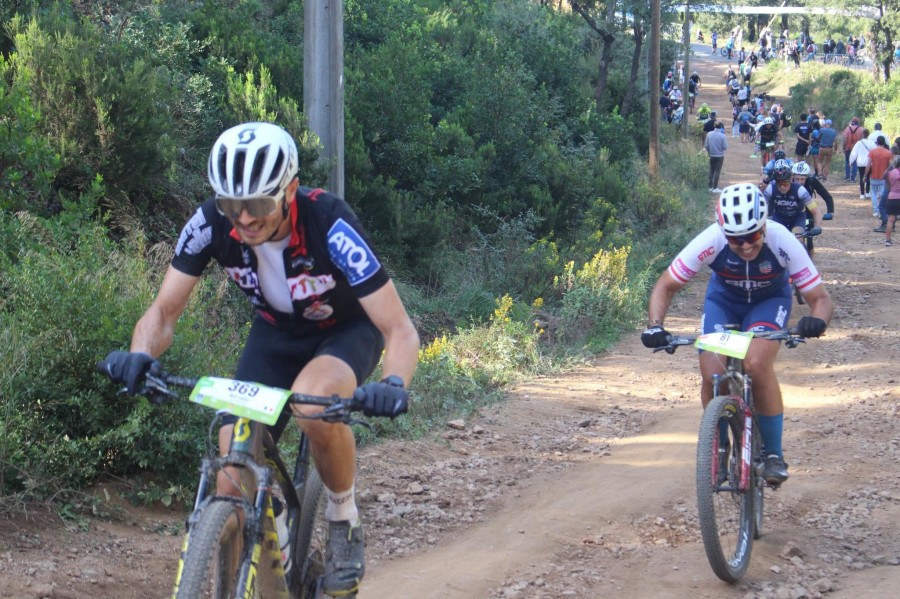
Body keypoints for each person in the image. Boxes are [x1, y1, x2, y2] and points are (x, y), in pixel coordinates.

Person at [99, 121, 420, 597]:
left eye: (258, 205)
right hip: (275, 335)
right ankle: (274, 540)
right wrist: (139, 355)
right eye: (232, 205)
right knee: (231, 472)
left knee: (312, 404)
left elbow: (399, 330)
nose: (244, 219)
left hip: (346, 331)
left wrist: (394, 384)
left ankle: (342, 517)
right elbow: (162, 313)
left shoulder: (329, 223)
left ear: (289, 190)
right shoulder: (211, 223)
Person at [641, 184, 834, 484]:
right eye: (735, 239)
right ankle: (718, 445)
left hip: (768, 302)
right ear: (724, 233)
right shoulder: (711, 239)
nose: (745, 246)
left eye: (753, 236)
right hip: (724, 302)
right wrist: (655, 324)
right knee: (711, 373)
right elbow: (665, 285)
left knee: (755, 363)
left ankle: (772, 453)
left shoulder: (782, 239)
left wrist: (816, 321)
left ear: (764, 226)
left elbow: (820, 299)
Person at [764, 159, 823, 234]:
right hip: (779, 217)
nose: (782, 187)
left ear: (790, 180)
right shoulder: (770, 189)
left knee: (798, 237)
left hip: (797, 218)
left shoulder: (800, 190)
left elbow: (816, 211)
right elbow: (760, 209)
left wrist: (817, 226)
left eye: (785, 184)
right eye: (779, 184)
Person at [867, 136, 893, 228]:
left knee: (873, 193)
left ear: (877, 142)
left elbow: (869, 164)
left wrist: (865, 175)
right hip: (884, 178)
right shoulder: (888, 153)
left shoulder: (872, 152)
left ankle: (876, 210)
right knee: (882, 194)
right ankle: (881, 211)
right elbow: (891, 166)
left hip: (874, 176)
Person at [849, 128, 876, 200]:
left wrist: (851, 161)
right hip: (869, 163)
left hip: (860, 162)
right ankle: (867, 193)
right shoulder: (872, 143)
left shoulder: (859, 143)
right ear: (868, 134)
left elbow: (854, 153)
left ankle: (862, 194)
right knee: (868, 177)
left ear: (862, 134)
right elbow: (875, 152)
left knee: (861, 177)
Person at [705, 121, 728, 193]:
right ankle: (715, 187)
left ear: (714, 126)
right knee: (717, 171)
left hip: (711, 155)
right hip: (720, 155)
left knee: (711, 170)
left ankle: (710, 186)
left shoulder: (709, 134)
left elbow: (706, 145)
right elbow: (725, 147)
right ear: (721, 127)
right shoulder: (722, 136)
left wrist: (709, 151)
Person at [841, 117, 865, 182]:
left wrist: (843, 147)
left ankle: (847, 177)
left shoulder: (847, 129)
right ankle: (853, 178)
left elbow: (845, 138)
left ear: (852, 121)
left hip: (848, 148)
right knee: (855, 163)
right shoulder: (861, 130)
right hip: (856, 149)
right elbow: (862, 140)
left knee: (847, 162)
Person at [884, 156, 900, 246]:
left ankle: (888, 240)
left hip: (892, 197)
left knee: (890, 220)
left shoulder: (891, 173)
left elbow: (885, 177)